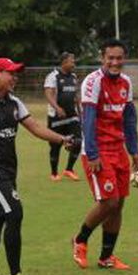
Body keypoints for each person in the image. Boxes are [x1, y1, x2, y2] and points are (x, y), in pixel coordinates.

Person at [0, 57, 73, 275]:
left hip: (8, 171)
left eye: (16, 73)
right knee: (14, 213)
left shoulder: (14, 102)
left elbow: (35, 127)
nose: (15, 77)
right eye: (11, 73)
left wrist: (63, 139)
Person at [71, 39, 138, 270]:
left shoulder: (126, 83)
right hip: (98, 150)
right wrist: (92, 154)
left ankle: (106, 257)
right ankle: (80, 239)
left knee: (119, 204)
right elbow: (89, 121)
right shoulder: (93, 82)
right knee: (108, 202)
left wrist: (134, 150)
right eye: (110, 58)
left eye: (119, 58)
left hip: (118, 148)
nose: (115, 62)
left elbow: (129, 119)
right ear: (102, 58)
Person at [42, 52, 82, 181]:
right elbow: (48, 94)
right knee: (56, 144)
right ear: (64, 62)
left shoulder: (74, 76)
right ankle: (54, 173)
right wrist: (57, 108)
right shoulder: (53, 76)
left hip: (72, 116)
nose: (73, 64)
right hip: (56, 117)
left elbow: (76, 95)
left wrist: (80, 111)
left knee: (78, 141)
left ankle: (69, 169)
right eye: (71, 61)